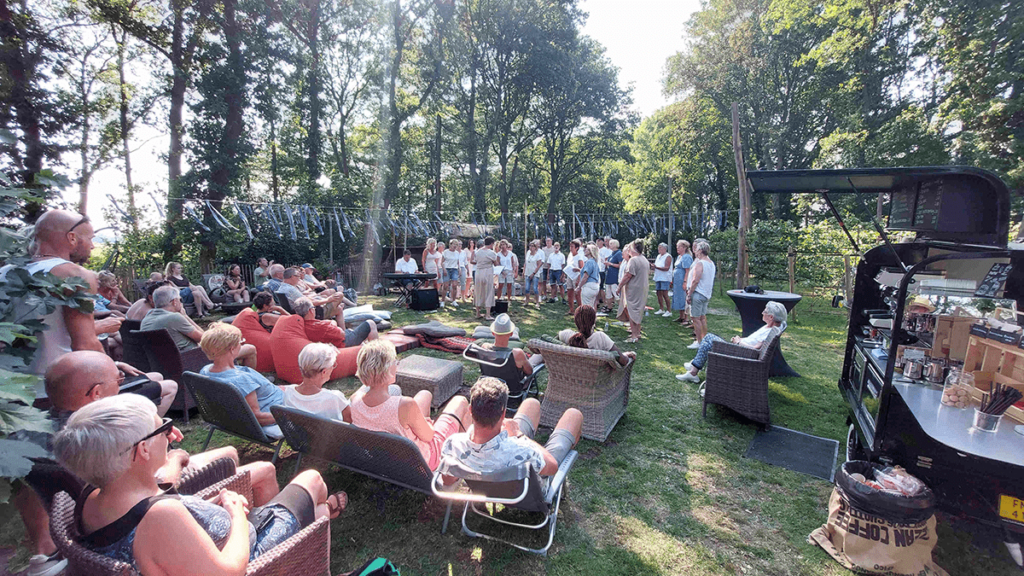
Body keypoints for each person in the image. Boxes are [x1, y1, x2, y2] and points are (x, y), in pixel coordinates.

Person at [52, 394, 346, 576]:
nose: (170, 431)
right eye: (162, 426)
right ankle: (312, 551)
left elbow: (157, 487)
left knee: (303, 499)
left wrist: (175, 458)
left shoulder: (95, 494)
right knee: (312, 479)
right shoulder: (160, 517)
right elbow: (231, 572)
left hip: (204, 542)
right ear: (141, 450)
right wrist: (235, 513)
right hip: (248, 551)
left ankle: (316, 521)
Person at [44, 351, 280, 506]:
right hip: (158, 497)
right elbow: (155, 489)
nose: (122, 385)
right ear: (96, 393)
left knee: (228, 452)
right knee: (266, 469)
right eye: (118, 381)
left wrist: (158, 433)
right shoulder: (95, 435)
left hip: (137, 490)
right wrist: (175, 457)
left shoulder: (59, 430)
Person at [0, 210, 112, 404]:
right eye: (90, 239)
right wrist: (114, 374)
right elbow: (84, 345)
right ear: (72, 238)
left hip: (8, 389)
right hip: (56, 390)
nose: (92, 246)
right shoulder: (74, 275)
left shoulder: (5, 272)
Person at [348, 339, 471, 471]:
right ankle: (465, 455)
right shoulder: (404, 405)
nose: (397, 364)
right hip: (420, 464)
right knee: (460, 401)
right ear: (387, 369)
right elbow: (429, 436)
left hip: (385, 459)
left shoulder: (354, 400)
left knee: (425, 394)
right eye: (395, 361)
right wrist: (427, 423)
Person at [440, 378, 582, 484]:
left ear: (470, 410)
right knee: (574, 414)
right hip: (527, 494)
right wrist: (519, 435)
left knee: (531, 403)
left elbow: (447, 481)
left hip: (491, 486)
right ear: (503, 414)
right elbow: (552, 467)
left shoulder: (453, 444)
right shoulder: (522, 451)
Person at [281, 342, 402, 422]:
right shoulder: (334, 397)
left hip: (305, 441)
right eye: (333, 365)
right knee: (394, 389)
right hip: (334, 443)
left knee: (366, 389)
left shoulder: (289, 393)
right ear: (324, 372)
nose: (334, 368)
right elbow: (352, 422)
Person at [200, 323, 285, 436]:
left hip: (270, 399)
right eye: (240, 342)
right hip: (279, 409)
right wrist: (289, 416)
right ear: (232, 349)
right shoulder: (241, 380)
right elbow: (256, 417)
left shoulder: (205, 371)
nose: (242, 345)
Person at [142, 286, 258, 367]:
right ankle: (250, 385)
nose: (181, 302)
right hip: (191, 361)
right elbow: (205, 339)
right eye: (180, 299)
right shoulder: (173, 318)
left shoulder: (147, 318)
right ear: (174, 302)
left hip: (165, 364)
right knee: (250, 349)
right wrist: (185, 316)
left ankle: (235, 375)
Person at [677, 301, 787, 383]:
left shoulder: (769, 332)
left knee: (709, 338)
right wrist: (739, 340)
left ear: (771, 317)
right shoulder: (769, 328)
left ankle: (693, 371)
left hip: (742, 353)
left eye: (765, 311)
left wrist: (739, 342)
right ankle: (694, 367)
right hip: (741, 349)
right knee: (708, 339)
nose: (762, 312)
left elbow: (756, 349)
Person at [559, 305, 635, 366]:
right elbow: (623, 361)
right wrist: (626, 355)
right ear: (594, 321)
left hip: (571, 379)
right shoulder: (600, 338)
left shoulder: (566, 335)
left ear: (575, 321)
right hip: (596, 383)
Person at [292, 296, 378, 348]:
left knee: (351, 331)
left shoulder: (299, 325)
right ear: (311, 310)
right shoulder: (322, 326)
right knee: (370, 323)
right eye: (314, 308)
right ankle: (378, 355)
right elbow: (342, 334)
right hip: (341, 344)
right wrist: (332, 323)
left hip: (327, 341)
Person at [617, 239, 650, 343]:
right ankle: (637, 332)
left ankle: (634, 335)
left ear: (633, 248)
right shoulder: (644, 259)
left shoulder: (633, 260)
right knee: (638, 310)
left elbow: (628, 275)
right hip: (642, 288)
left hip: (634, 289)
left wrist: (619, 287)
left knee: (632, 310)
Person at [686, 240, 717, 350]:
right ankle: (704, 339)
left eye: (696, 249)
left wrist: (689, 294)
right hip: (706, 294)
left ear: (700, 250)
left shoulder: (700, 263)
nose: (695, 252)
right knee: (702, 317)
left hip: (698, 294)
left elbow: (695, 280)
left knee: (695, 318)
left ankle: (699, 341)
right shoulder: (711, 263)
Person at [277, 266, 344, 313]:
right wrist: (327, 300)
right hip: (309, 313)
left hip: (300, 312)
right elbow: (309, 303)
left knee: (338, 307)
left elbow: (304, 300)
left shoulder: (282, 287)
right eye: (298, 276)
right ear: (292, 277)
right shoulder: (290, 289)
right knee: (339, 297)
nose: (299, 278)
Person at [471, 236, 499, 320]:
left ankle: (478, 313)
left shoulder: (478, 252)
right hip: (487, 272)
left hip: (478, 272)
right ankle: (487, 314)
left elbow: (474, 261)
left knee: (478, 291)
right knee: (489, 292)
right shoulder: (492, 253)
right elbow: (496, 264)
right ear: (491, 244)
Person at [672, 240, 693, 324]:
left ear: (684, 247)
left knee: (683, 297)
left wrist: (685, 282)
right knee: (678, 298)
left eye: (679, 246)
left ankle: (686, 318)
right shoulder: (679, 257)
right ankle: (681, 316)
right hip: (677, 281)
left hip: (682, 280)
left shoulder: (686, 257)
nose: (677, 248)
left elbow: (687, 270)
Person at [563, 240, 585, 315]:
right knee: (569, 292)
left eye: (572, 246)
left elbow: (582, 268)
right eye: (570, 246)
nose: (571, 248)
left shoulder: (579, 256)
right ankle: (571, 310)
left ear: (577, 248)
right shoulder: (570, 255)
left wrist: (579, 279)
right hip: (569, 276)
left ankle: (580, 310)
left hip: (576, 276)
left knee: (577, 294)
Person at [578, 243, 601, 309]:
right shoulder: (594, 262)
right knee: (591, 306)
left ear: (590, 252)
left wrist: (579, 287)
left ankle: (586, 319)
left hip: (588, 286)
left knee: (586, 307)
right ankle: (592, 318)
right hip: (595, 286)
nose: (584, 250)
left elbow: (585, 276)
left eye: (587, 249)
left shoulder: (589, 262)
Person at [523, 240, 545, 307]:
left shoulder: (538, 255)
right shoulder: (528, 253)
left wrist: (533, 273)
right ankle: (527, 301)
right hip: (527, 273)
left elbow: (539, 265)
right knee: (527, 288)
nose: (531, 247)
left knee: (535, 288)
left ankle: (537, 302)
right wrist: (524, 271)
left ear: (535, 248)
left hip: (535, 274)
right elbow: (526, 263)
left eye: (532, 246)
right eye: (530, 246)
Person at [653, 242, 672, 316]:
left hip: (665, 278)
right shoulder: (658, 256)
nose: (659, 249)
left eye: (660, 248)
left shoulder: (668, 256)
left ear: (665, 249)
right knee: (658, 293)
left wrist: (656, 267)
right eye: (658, 248)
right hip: (658, 277)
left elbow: (667, 268)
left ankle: (669, 310)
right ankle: (661, 309)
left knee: (665, 294)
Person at [603, 239, 622, 312]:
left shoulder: (618, 253)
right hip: (609, 275)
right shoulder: (611, 253)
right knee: (608, 293)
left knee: (615, 293)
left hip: (614, 276)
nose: (608, 245)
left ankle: (621, 308)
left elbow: (621, 265)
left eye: (610, 244)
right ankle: (609, 307)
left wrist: (611, 264)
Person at [441, 239, 462, 306]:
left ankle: (454, 300)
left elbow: (458, 263)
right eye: (454, 244)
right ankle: (443, 301)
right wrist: (444, 269)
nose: (455, 246)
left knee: (454, 285)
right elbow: (442, 262)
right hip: (447, 268)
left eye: (456, 245)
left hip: (454, 269)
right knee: (445, 286)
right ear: (450, 245)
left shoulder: (457, 253)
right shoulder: (445, 252)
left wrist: (459, 269)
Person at [540, 237, 556, 302]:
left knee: (553, 282)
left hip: (552, 267)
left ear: (551, 241)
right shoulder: (543, 249)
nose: (548, 242)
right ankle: (544, 295)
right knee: (544, 281)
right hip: (544, 267)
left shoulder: (554, 249)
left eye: (549, 241)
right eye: (547, 241)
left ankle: (554, 295)